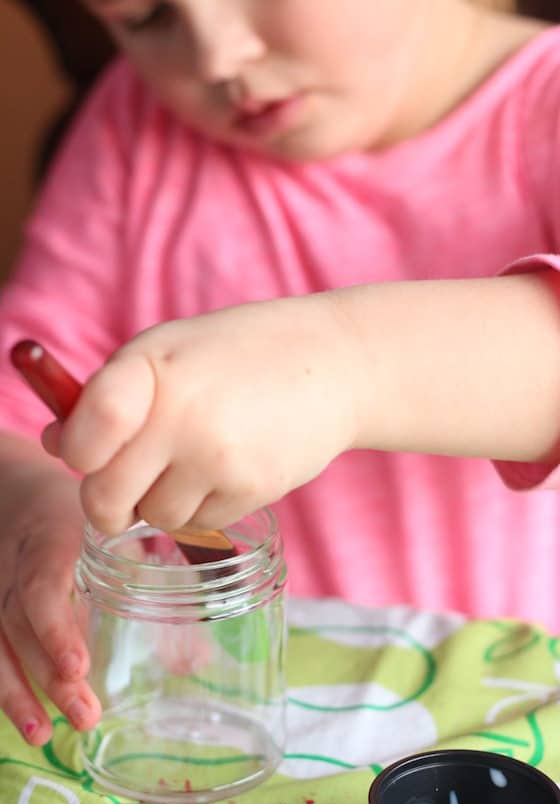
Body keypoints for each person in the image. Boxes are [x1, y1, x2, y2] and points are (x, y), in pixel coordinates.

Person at [1, 0, 560, 747]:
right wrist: (35, 507)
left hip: (502, 738)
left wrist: (347, 363)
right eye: (145, 18)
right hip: (213, 735)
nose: (217, 56)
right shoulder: (133, 129)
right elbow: (20, 393)